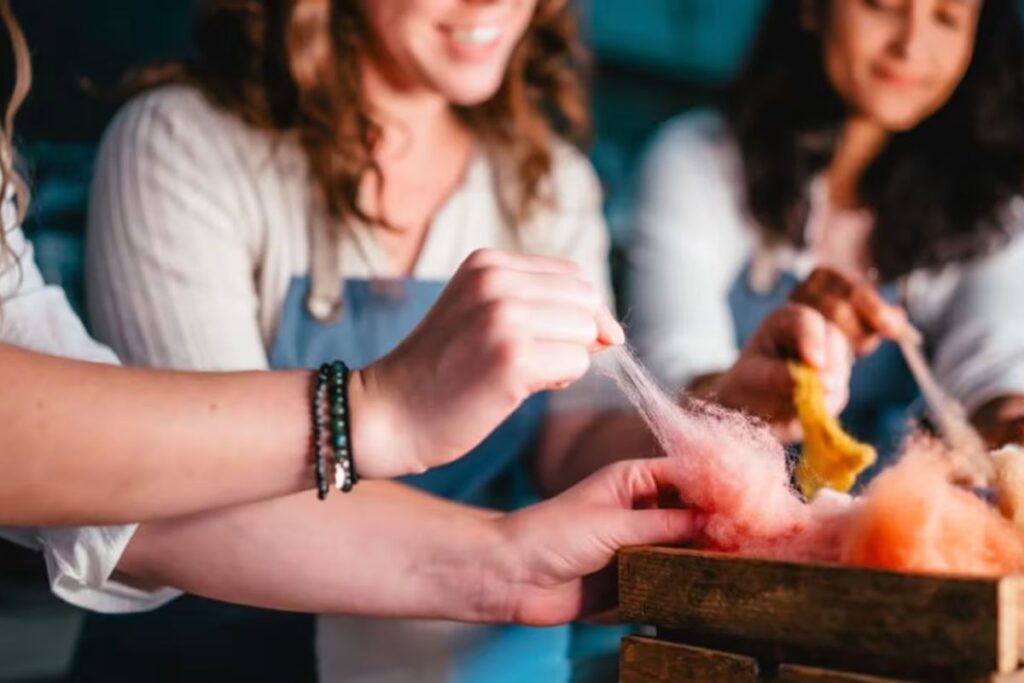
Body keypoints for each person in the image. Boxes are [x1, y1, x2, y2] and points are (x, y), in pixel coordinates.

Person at [0, 0, 699, 673]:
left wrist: (710, 434)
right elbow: (182, 489)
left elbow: (570, 435)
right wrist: (377, 410)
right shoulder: (181, 141)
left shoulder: (549, 181)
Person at [629, 0, 1024, 459]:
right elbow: (669, 380)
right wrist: (758, 386)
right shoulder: (698, 161)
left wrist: (1011, 426)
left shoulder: (991, 208)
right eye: (882, 5)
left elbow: (997, 368)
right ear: (812, 7)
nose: (910, 45)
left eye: (948, 18)